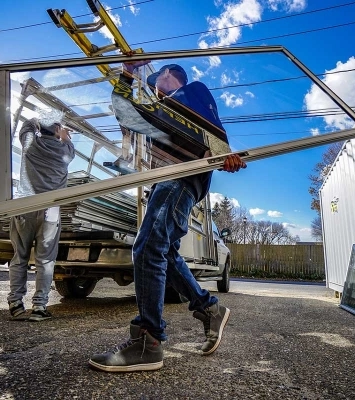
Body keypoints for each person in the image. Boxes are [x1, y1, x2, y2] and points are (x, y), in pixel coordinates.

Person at [89, 59, 246, 372]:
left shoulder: (190, 93)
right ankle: (208, 308)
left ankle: (149, 340)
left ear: (171, 75)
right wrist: (128, 72)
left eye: (156, 78)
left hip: (181, 179)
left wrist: (223, 152)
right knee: (166, 253)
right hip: (164, 184)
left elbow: (212, 124)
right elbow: (123, 111)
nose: (152, 87)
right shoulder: (156, 113)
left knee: (147, 248)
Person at [7, 117, 75, 321]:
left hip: (25, 206)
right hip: (50, 211)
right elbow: (68, 144)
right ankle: (39, 308)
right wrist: (63, 135)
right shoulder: (65, 151)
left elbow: (27, 125)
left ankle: (16, 304)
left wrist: (42, 120)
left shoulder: (30, 144)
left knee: (20, 257)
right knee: (45, 260)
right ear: (56, 130)